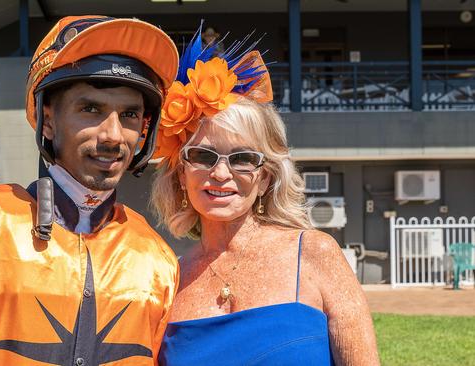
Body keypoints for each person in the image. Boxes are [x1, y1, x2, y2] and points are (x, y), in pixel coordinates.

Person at [0, 16, 180, 365]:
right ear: (48, 118)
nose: (113, 135)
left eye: (130, 115)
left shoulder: (158, 259)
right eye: (91, 109)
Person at [151, 28, 379, 365]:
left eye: (242, 159)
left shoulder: (314, 254)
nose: (221, 174)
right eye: (203, 156)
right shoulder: (168, 278)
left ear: (265, 178)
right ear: (180, 174)